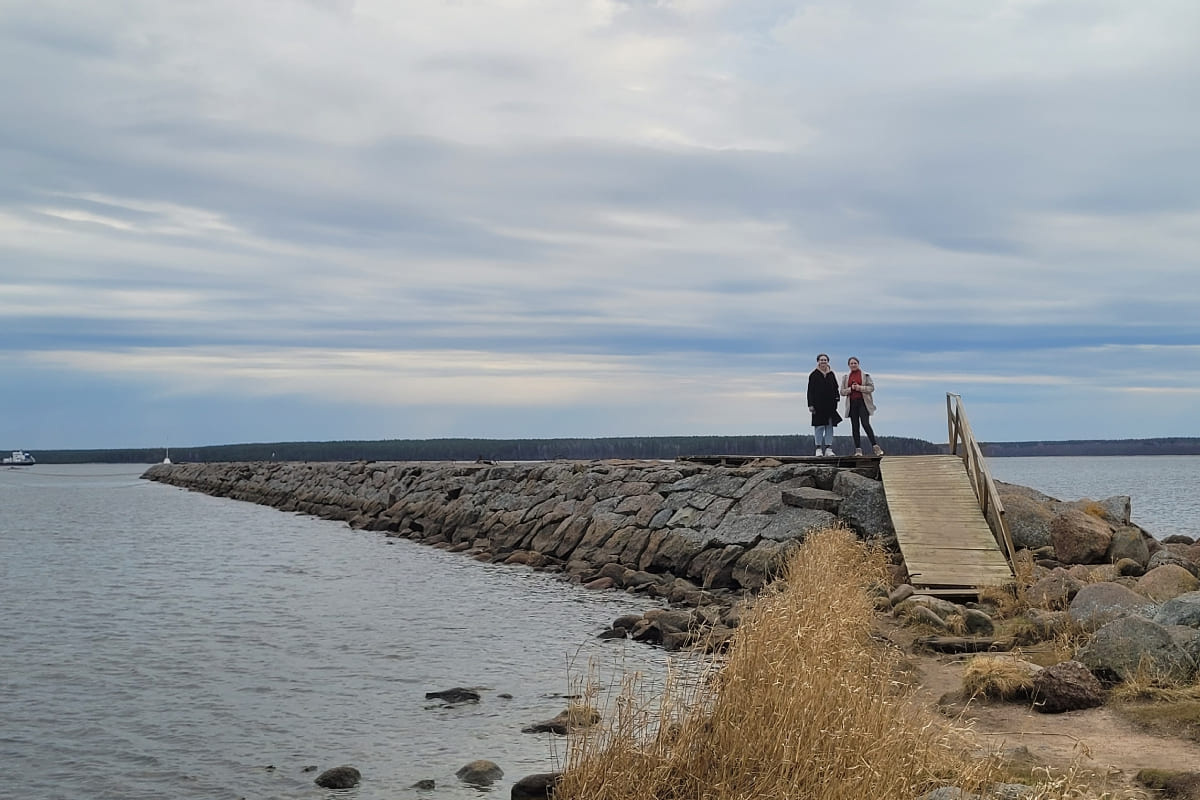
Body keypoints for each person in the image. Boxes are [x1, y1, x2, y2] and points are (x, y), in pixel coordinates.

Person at [840, 356, 883, 456]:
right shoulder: (846, 377)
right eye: (851, 363)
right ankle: (858, 449)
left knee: (866, 424)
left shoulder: (865, 375)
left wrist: (859, 388)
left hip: (863, 403)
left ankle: (875, 447)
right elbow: (842, 392)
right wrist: (851, 389)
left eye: (855, 363)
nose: (853, 365)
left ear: (858, 364)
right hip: (852, 404)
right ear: (849, 365)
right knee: (855, 426)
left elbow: (871, 388)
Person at [807, 353, 841, 456]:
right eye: (821, 360)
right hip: (818, 405)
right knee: (819, 426)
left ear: (828, 361)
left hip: (830, 405)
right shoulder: (813, 375)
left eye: (825, 360)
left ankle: (828, 448)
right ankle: (818, 448)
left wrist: (837, 398)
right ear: (818, 361)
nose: (823, 362)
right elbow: (810, 391)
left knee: (829, 427)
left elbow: (836, 387)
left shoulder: (831, 374)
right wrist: (810, 404)